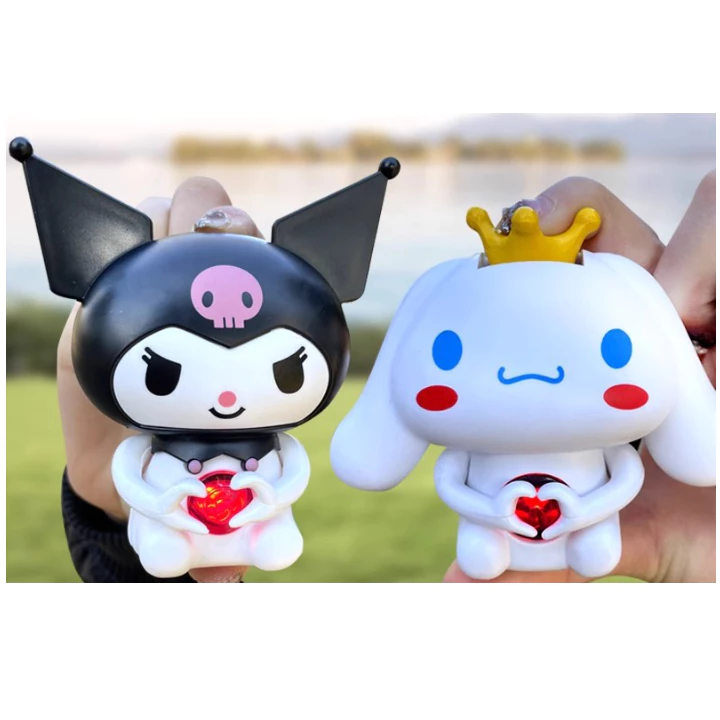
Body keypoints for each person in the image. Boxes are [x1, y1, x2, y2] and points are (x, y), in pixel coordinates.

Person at [60, 172, 716, 583]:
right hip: (190, 522)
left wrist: (588, 510)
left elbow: (611, 476)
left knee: (574, 546)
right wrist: (147, 511)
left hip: (577, 526)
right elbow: (444, 478)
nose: (228, 396)